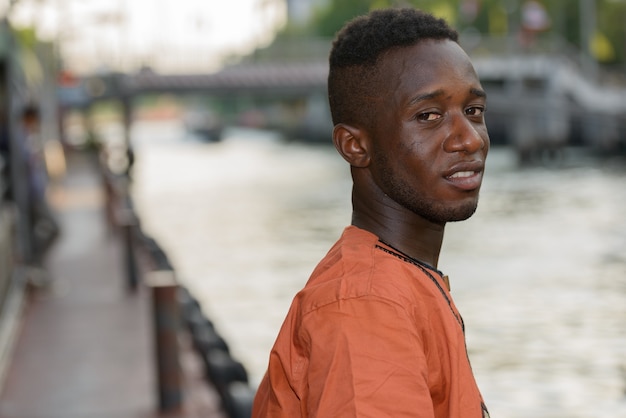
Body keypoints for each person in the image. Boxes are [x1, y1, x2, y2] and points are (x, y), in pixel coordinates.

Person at [252, 7, 490, 418]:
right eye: (428, 116)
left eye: (473, 111)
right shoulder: (366, 305)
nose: (469, 139)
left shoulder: (395, 280)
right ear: (354, 146)